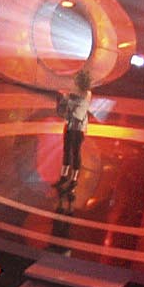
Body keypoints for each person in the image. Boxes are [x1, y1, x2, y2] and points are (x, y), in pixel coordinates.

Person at [54, 67, 93, 200]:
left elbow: (77, 112)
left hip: (78, 128)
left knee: (76, 152)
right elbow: (64, 111)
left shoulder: (86, 94)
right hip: (70, 126)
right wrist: (63, 100)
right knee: (67, 150)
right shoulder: (73, 94)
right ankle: (64, 176)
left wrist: (66, 99)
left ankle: (74, 179)